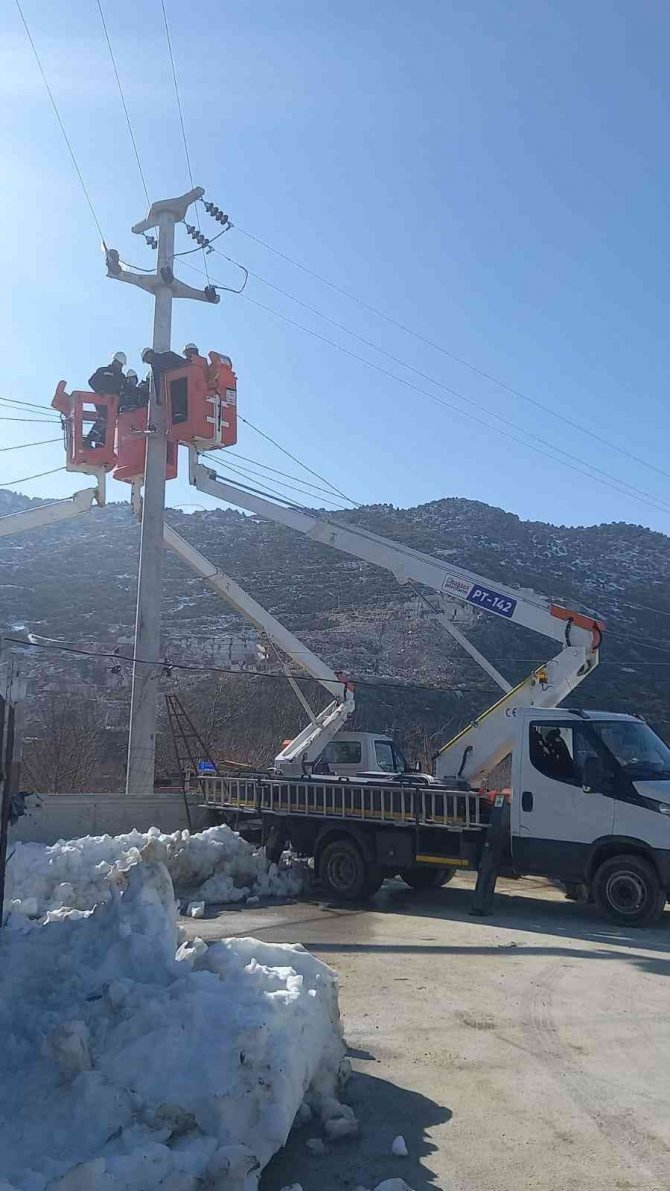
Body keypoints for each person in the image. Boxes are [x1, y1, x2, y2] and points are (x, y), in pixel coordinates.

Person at [85, 351, 126, 446]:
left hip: (113, 403)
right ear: (114, 361)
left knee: (109, 422)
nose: (119, 367)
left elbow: (123, 390)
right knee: (104, 418)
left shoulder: (121, 377)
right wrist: (99, 390)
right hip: (102, 401)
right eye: (119, 364)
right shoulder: (102, 371)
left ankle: (100, 443)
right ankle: (89, 439)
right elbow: (92, 381)